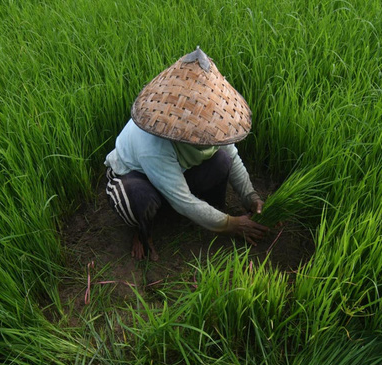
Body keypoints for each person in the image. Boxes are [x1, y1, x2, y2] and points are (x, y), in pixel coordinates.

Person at [104, 47, 269, 261]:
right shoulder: (153, 143)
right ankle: (143, 231)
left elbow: (233, 158)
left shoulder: (214, 123)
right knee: (139, 199)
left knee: (222, 161)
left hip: (176, 171)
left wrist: (251, 197)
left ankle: (208, 213)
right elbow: (182, 200)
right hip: (135, 175)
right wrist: (231, 225)